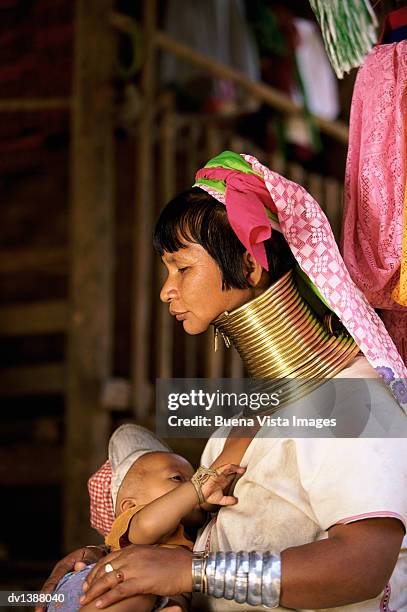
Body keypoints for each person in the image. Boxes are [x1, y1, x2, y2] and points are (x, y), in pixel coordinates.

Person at [38, 152, 407, 611]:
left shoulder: (355, 400)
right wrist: (107, 562)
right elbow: (223, 533)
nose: (166, 290)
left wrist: (190, 572)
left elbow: (363, 567)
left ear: (250, 268)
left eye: (182, 267)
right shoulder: (254, 411)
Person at [47, 424, 245, 612]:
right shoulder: (136, 520)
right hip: (109, 584)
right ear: (130, 506)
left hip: (155, 593)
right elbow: (147, 525)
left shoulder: (191, 537)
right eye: (177, 478)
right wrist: (196, 489)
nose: (192, 484)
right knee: (137, 593)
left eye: (192, 477)